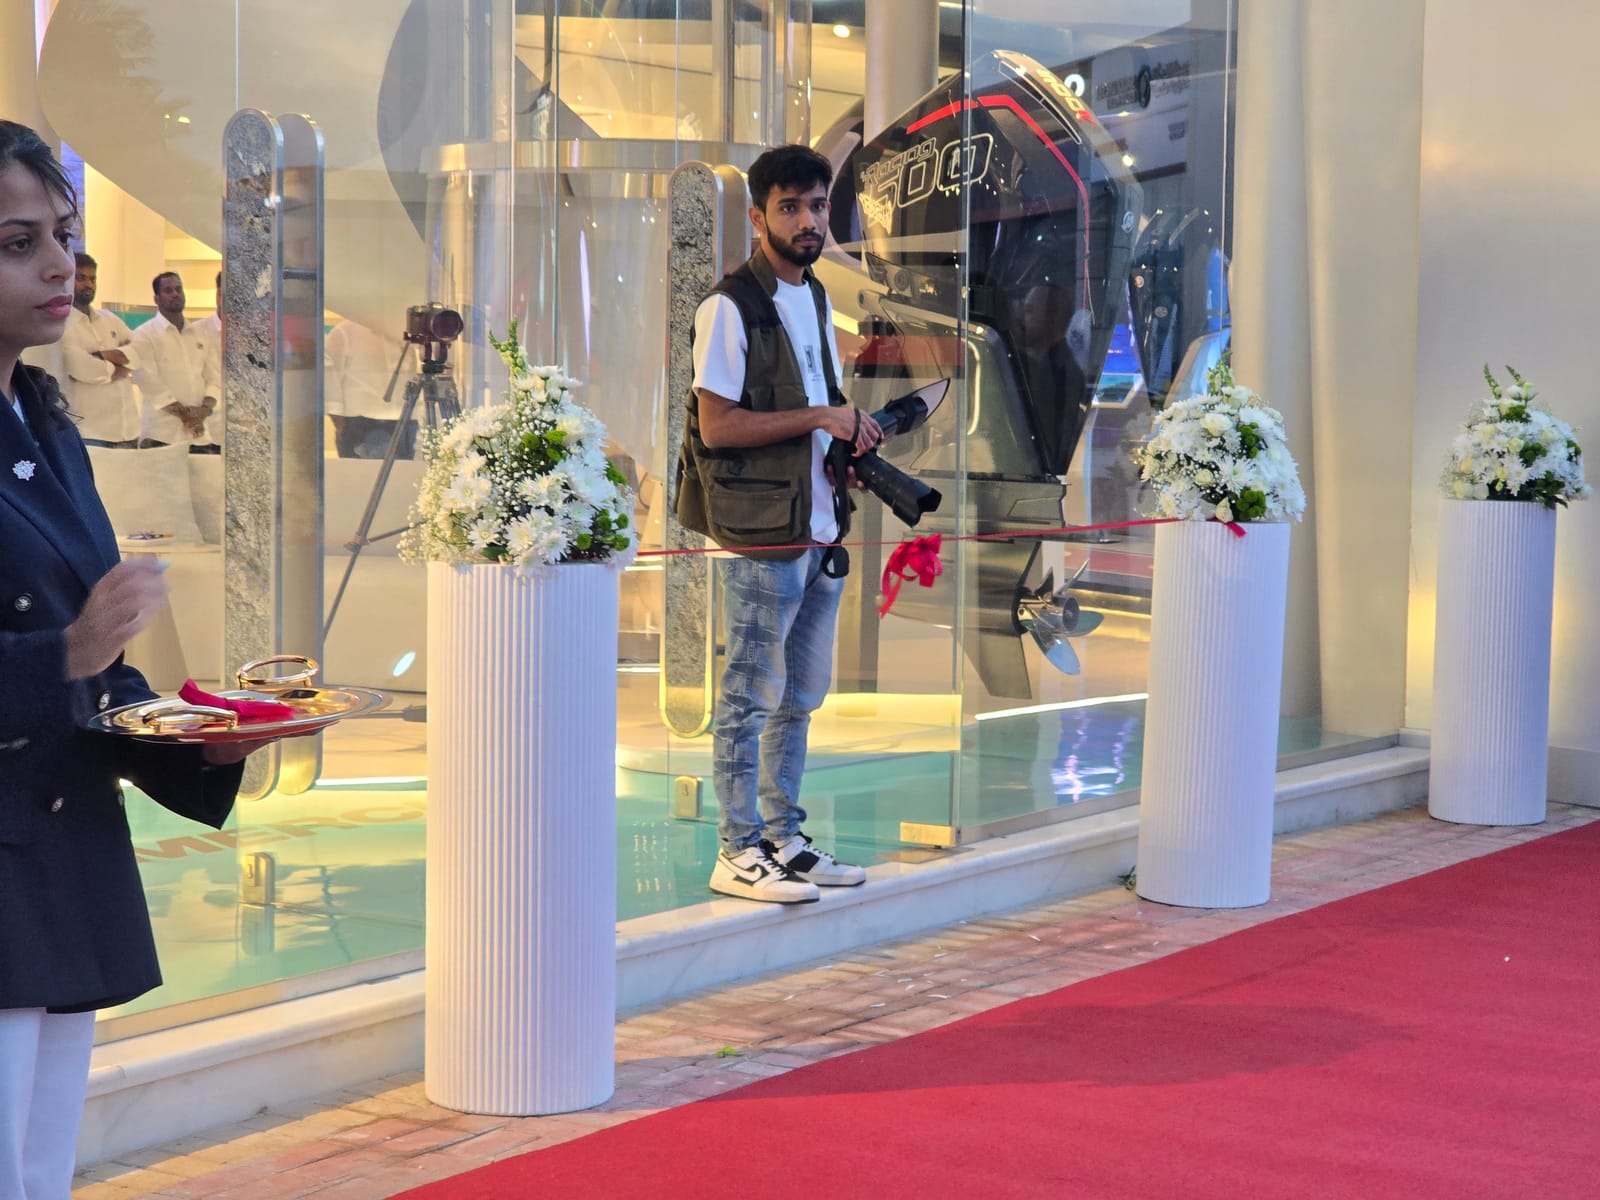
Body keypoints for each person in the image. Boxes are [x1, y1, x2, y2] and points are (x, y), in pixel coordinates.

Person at [0, 121, 275, 1199]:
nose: (61, 264)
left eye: (60, 235)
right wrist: (67, 651)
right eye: (17, 242)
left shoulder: (46, 417)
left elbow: (100, 652)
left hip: (58, 851)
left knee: (40, 1171)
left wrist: (207, 732)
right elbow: (74, 642)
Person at [675, 144, 883, 904]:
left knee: (797, 696)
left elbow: (817, 405)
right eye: (790, 207)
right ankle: (736, 849)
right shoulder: (729, 306)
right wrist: (821, 416)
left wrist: (847, 439)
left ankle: (785, 840)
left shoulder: (818, 296)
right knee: (749, 694)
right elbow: (718, 427)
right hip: (762, 532)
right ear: (758, 216)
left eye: (818, 206)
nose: (807, 221)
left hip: (817, 520)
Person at [129, 270, 220, 452]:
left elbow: (214, 378)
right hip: (161, 435)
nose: (175, 294)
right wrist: (186, 416)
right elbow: (148, 381)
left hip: (199, 436)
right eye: (168, 290)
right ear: (156, 299)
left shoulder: (199, 334)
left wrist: (203, 411)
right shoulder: (144, 334)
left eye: (179, 289)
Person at [59, 252, 141, 448]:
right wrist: (122, 367)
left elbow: (141, 351)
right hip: (91, 434)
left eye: (92, 279)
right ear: (68, 280)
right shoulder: (62, 324)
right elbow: (82, 368)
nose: (88, 284)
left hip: (128, 431)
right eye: (81, 278)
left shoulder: (109, 319)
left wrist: (101, 356)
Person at [325, 316, 417, 458]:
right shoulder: (345, 332)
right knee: (362, 478)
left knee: (403, 477)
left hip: (405, 424)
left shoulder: (409, 333)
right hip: (361, 425)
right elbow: (329, 380)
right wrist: (340, 424)